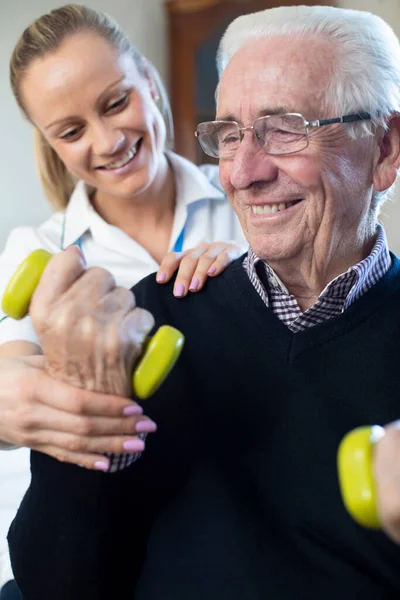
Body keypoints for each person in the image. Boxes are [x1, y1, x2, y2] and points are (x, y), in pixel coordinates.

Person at [7, 3, 400, 599]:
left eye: (285, 127)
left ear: (386, 148)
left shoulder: (219, 237)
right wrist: (73, 402)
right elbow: (56, 580)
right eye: (230, 134)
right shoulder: (153, 299)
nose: (239, 172)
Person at [0, 4, 247, 597]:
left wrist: (249, 283)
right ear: (51, 144)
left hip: (236, 508)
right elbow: (12, 373)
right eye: (71, 130)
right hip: (102, 537)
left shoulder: (248, 205)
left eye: (115, 103)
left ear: (151, 84)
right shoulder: (37, 254)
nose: (108, 141)